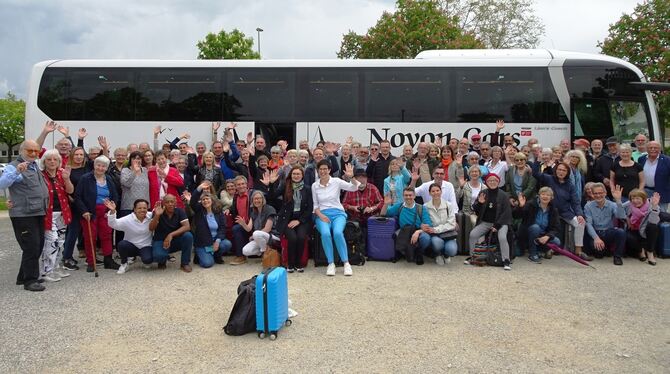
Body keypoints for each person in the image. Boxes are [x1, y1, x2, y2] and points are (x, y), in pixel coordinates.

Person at [0, 140, 50, 291]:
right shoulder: (13, 166)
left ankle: (23, 276)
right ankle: (30, 280)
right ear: (22, 151)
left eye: (36, 151)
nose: (34, 154)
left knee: (38, 244)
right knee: (31, 246)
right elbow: (2, 184)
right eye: (30, 151)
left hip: (37, 211)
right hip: (23, 214)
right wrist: (17, 172)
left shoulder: (34, 165)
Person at [533, 162, 591, 261]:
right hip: (550, 211)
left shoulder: (570, 185)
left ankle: (578, 250)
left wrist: (579, 214)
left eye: (564, 170)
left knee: (581, 223)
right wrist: (538, 161)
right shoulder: (549, 179)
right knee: (552, 227)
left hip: (565, 212)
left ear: (567, 172)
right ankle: (550, 250)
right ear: (555, 170)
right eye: (559, 169)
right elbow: (535, 173)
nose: (561, 172)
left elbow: (575, 202)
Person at [312, 161, 360, 276]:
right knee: (325, 233)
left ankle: (346, 263)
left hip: (338, 213)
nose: (323, 171)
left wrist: (351, 177)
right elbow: (315, 205)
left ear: (329, 170)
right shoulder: (315, 185)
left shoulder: (336, 181)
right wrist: (321, 215)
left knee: (338, 233)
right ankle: (331, 263)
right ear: (318, 171)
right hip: (322, 215)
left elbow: (354, 188)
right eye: (320, 169)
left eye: (325, 169)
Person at [74, 155, 120, 271]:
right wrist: (84, 211)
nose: (101, 168)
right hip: (90, 212)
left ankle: (108, 260)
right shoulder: (86, 178)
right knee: (90, 237)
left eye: (104, 166)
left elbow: (115, 195)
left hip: (105, 211)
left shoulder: (108, 178)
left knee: (107, 235)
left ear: (107, 168)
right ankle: (91, 261)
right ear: (94, 166)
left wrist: (111, 208)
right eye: (98, 165)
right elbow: (78, 197)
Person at [39, 150, 74, 282]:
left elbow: (70, 191)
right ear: (44, 162)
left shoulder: (62, 174)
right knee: (51, 241)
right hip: (48, 214)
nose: (52, 162)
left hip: (62, 213)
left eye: (55, 159)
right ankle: (46, 271)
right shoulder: (41, 175)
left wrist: (67, 178)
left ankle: (55, 266)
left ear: (59, 162)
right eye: (49, 159)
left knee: (60, 241)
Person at [468, 173, 513, 271]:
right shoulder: (483, 192)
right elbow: (476, 210)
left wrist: (497, 226)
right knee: (473, 234)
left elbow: (506, 213)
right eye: (490, 181)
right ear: (486, 182)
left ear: (498, 181)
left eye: (495, 180)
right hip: (486, 222)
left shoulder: (504, 195)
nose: (492, 182)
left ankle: (506, 259)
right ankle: (473, 256)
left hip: (501, 223)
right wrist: (479, 203)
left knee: (502, 237)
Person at [275, 166, 313, 273]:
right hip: (286, 219)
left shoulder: (307, 189)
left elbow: (309, 208)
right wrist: (272, 183)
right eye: (294, 174)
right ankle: (290, 264)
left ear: (302, 176)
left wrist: (299, 221)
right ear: (290, 175)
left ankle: (298, 263)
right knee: (292, 238)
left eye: (298, 174)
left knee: (301, 237)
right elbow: (272, 196)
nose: (296, 176)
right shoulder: (285, 186)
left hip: (302, 220)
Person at [381, 187, 432, 265]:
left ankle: (419, 252)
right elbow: (383, 214)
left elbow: (428, 225)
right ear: (403, 196)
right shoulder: (399, 206)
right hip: (404, 231)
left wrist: (418, 232)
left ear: (414, 196)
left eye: (410, 195)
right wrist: (386, 204)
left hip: (417, 230)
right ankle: (407, 252)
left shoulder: (421, 208)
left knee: (425, 238)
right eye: (406, 195)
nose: (408, 197)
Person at [104, 199, 154, 274]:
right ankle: (124, 263)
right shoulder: (128, 219)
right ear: (134, 209)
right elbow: (113, 224)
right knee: (122, 244)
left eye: (144, 208)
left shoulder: (150, 216)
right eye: (139, 208)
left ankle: (145, 259)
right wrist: (113, 211)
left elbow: (158, 213)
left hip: (146, 246)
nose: (142, 210)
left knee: (148, 260)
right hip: (131, 246)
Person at [189, 184, 232, 268]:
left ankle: (216, 255)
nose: (205, 201)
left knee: (227, 244)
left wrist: (217, 241)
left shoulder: (218, 212)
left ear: (211, 200)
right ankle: (200, 255)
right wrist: (199, 188)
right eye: (203, 199)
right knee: (207, 264)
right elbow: (193, 201)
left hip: (215, 240)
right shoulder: (199, 211)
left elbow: (222, 228)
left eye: (207, 199)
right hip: (203, 243)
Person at [514, 187, 561, 263]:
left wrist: (547, 236)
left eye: (548, 195)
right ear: (539, 196)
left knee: (557, 242)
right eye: (543, 194)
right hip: (527, 234)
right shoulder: (530, 204)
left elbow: (556, 227)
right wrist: (521, 206)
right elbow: (516, 216)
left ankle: (538, 250)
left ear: (551, 198)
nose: (545, 196)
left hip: (541, 237)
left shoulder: (553, 210)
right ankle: (533, 253)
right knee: (535, 228)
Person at [62, 147, 91, 268]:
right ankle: (67, 257)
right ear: (72, 156)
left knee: (87, 232)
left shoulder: (87, 168)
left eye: (81, 154)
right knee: (73, 231)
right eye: (76, 154)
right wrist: (69, 196)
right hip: (74, 203)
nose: (79, 157)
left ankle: (89, 256)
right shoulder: (68, 170)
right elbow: (63, 186)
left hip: (87, 203)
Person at [583, 184, 627, 265]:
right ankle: (604, 249)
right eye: (595, 193)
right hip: (596, 233)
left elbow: (621, 216)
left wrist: (618, 201)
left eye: (600, 193)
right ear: (592, 194)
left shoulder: (612, 204)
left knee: (621, 232)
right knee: (599, 254)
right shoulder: (588, 206)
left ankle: (617, 257)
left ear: (605, 193)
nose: (598, 195)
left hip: (608, 232)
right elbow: (588, 224)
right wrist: (596, 238)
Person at [148, 194, 193, 271]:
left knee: (188, 236)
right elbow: (151, 228)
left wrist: (171, 235)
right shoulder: (158, 211)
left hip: (175, 241)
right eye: (167, 202)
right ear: (163, 203)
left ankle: (185, 263)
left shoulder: (180, 211)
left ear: (175, 202)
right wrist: (157, 215)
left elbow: (187, 226)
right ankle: (162, 260)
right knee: (158, 256)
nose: (170, 204)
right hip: (160, 241)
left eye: (172, 202)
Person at [622, 189, 660, 265]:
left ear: (644, 199)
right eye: (633, 198)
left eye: (638, 198)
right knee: (627, 235)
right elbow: (617, 210)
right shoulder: (629, 204)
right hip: (634, 229)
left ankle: (650, 253)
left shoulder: (652, 204)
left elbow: (654, 221)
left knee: (653, 227)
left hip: (646, 231)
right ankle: (641, 250)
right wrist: (627, 218)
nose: (635, 201)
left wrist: (654, 207)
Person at [423, 184, 458, 265]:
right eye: (433, 191)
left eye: (437, 190)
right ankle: (437, 254)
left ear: (441, 191)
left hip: (448, 234)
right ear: (429, 193)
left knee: (452, 250)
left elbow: (452, 224)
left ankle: (445, 254)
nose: (435, 193)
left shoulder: (448, 205)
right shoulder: (425, 206)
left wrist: (436, 229)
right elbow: (426, 222)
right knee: (437, 243)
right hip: (435, 235)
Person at [241, 191, 278, 258]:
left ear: (263, 199)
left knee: (256, 233)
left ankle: (264, 253)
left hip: (272, 236)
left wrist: (253, 236)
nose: (257, 200)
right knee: (245, 251)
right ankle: (265, 251)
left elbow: (268, 229)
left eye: (259, 198)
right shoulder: (253, 212)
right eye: (255, 199)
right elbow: (248, 228)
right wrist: (243, 223)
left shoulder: (270, 209)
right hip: (259, 238)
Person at [638, 141, 670, 212]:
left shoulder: (667, 160)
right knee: (645, 214)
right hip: (645, 192)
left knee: (661, 215)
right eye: (650, 148)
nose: (653, 149)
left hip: (661, 193)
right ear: (646, 149)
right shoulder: (641, 159)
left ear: (659, 149)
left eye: (655, 148)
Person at [229, 175, 252, 265]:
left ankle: (241, 256)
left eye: (243, 184)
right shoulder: (236, 196)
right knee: (236, 228)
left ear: (246, 184)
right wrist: (228, 209)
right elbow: (234, 209)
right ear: (235, 187)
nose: (241, 186)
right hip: (241, 224)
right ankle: (241, 255)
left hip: (252, 222)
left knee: (236, 228)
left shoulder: (252, 194)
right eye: (238, 184)